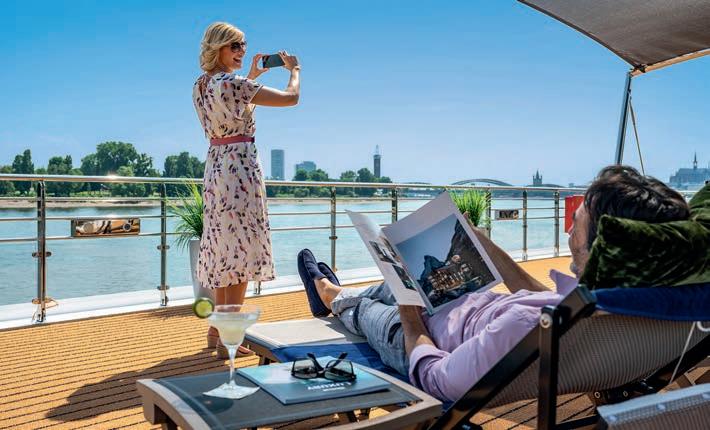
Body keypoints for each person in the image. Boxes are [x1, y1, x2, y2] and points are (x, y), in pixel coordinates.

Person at [298, 165, 691, 402]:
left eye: (578, 221)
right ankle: (346, 294)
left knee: (369, 309)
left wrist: (409, 311)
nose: (570, 229)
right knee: (389, 288)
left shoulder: (526, 322)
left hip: (422, 338)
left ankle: (329, 294)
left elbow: (437, 379)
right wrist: (484, 244)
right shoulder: (639, 300)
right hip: (466, 306)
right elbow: (540, 298)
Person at [193, 22, 301, 357]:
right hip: (239, 167)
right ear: (219, 48)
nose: (242, 51)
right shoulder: (233, 83)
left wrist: (253, 75)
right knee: (240, 252)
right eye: (235, 46)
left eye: (243, 45)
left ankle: (217, 330)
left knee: (225, 247)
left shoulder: (202, 85)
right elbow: (291, 99)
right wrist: (294, 70)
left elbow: (236, 110)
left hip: (217, 167)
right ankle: (230, 337)